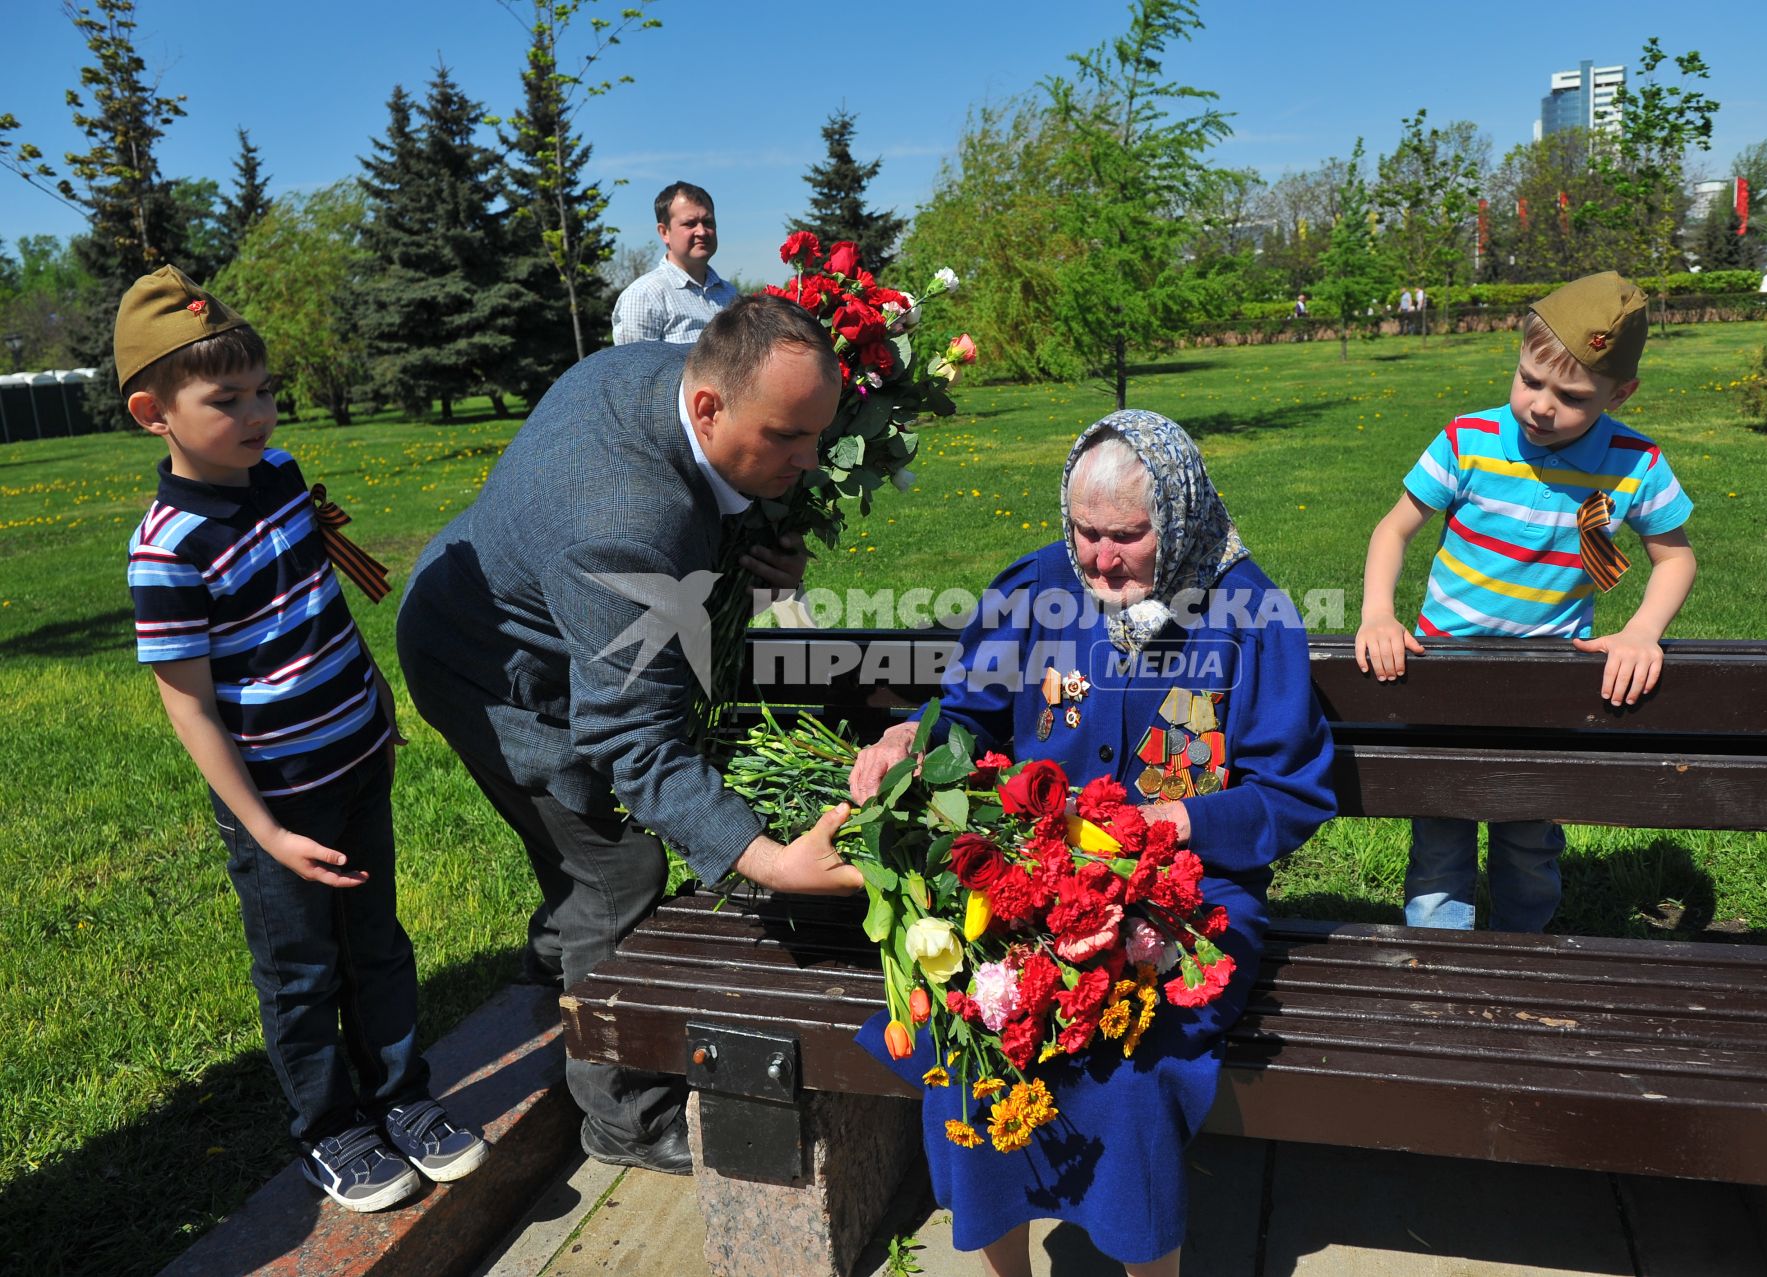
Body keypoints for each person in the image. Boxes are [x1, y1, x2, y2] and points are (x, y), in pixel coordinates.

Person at [848, 411, 1336, 1277]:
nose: (1101, 559)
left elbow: (1293, 793)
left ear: (1177, 519)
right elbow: (964, 715)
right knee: (973, 1028)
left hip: (1188, 895)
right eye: (1086, 532)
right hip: (1034, 882)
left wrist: (1177, 823)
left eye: (1128, 536)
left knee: (1126, 1058)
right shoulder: (1034, 590)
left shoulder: (1248, 613)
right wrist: (906, 739)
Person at [395, 296, 863, 1175]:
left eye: (817, 435)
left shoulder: (675, 380)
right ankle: (624, 1116)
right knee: (615, 867)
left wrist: (761, 553)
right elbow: (631, 739)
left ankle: (559, 960)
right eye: (787, 439)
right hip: (493, 673)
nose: (807, 461)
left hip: (524, 601)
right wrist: (769, 861)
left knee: (584, 854)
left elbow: (691, 542)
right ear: (711, 406)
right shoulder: (623, 518)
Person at [120, 266, 488, 1213]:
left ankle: (404, 1099)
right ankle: (333, 1130)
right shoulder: (167, 548)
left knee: (377, 942)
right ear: (150, 411)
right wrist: (266, 829)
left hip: (355, 760)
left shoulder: (280, 480)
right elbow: (189, 704)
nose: (258, 415)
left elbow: (317, 612)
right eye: (226, 398)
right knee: (300, 970)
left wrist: (373, 706)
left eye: (264, 391)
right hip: (277, 799)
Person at [1354, 271, 1697, 933]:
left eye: (1570, 396)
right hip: (1444, 674)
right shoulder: (1467, 440)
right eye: (1529, 380)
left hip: (1547, 686)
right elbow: (1392, 528)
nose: (1540, 406)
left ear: (1621, 392)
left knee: (1529, 837)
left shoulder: (1636, 463)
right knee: (1440, 832)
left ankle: (1521, 953)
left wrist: (1642, 630)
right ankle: (1442, 959)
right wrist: (1377, 612)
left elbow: (1675, 557)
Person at [611, 181, 740, 345]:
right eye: (690, 224)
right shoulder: (644, 296)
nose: (702, 231)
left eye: (708, 222)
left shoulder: (730, 294)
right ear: (664, 232)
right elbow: (633, 368)